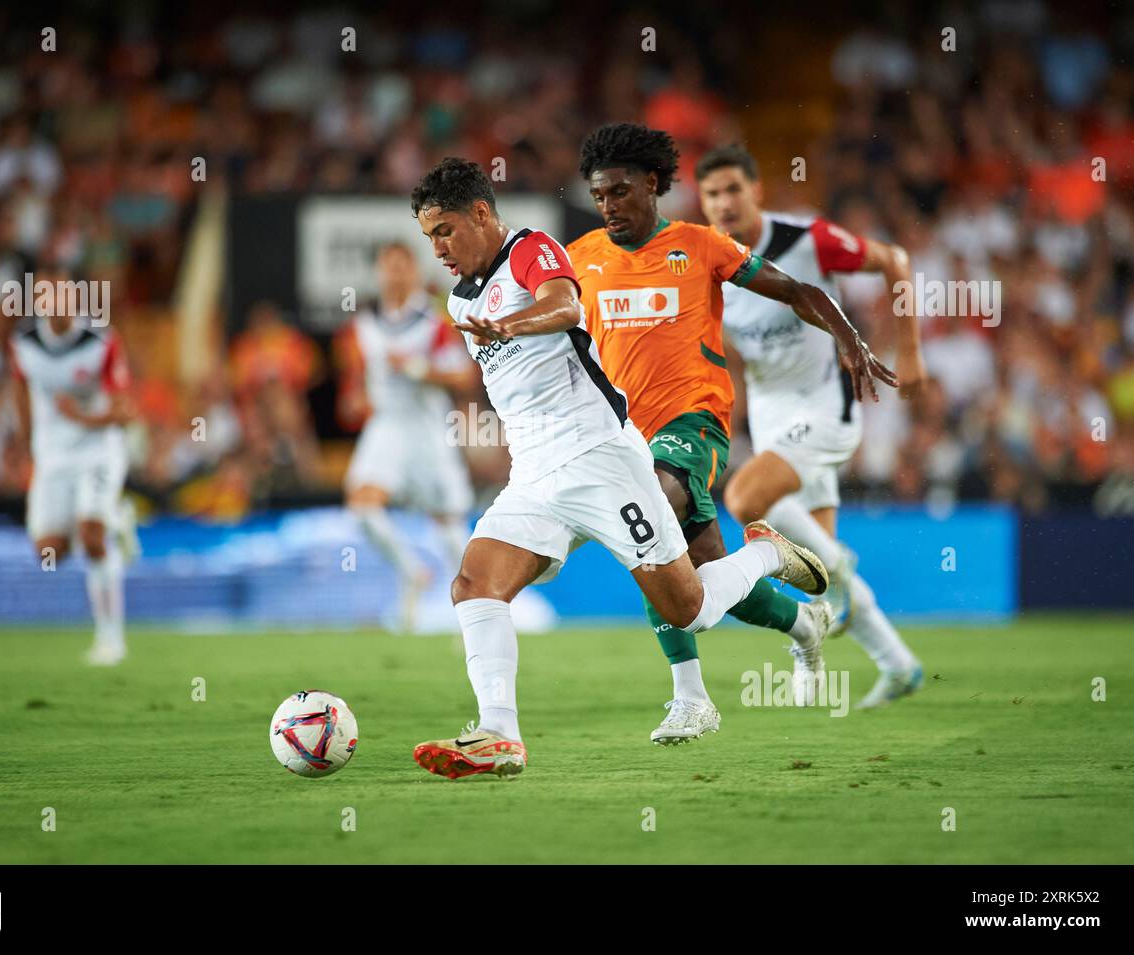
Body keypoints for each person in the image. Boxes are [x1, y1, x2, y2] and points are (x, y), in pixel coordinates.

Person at [407, 157, 829, 779]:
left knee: (691, 610)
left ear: (480, 213)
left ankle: (764, 552)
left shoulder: (531, 250)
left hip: (603, 459)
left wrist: (511, 322)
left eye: (444, 229)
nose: (438, 247)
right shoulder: (458, 298)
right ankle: (499, 733)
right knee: (474, 585)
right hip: (534, 476)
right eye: (428, 238)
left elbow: (564, 306)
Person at [569, 124, 900, 738]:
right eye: (599, 195)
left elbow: (796, 290)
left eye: (619, 191)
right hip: (624, 433)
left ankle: (691, 698)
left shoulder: (702, 245)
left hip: (693, 421)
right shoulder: (581, 256)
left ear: (651, 184)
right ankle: (803, 620)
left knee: (649, 515)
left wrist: (849, 338)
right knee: (696, 583)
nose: (609, 205)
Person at [697, 143, 926, 707]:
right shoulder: (710, 260)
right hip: (774, 415)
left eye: (733, 189)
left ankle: (845, 570)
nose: (724, 203)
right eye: (712, 194)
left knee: (746, 497)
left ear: (757, 192)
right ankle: (897, 664)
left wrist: (911, 353)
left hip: (827, 404)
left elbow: (894, 258)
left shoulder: (806, 240)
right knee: (812, 566)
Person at [339, 241, 478, 632]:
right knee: (362, 506)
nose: (395, 274)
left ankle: (475, 604)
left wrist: (417, 368)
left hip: (428, 428)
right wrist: (356, 397)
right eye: (388, 266)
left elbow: (464, 376)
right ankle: (413, 571)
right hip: (386, 426)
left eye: (402, 266)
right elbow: (358, 379)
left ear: (415, 271)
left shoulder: (434, 319)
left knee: (447, 521)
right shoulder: (365, 323)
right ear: (379, 272)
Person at [10, 275, 137, 665]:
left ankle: (110, 640)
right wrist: (26, 445)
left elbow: (124, 413)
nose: (58, 307)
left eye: (65, 299)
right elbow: (21, 390)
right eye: (49, 300)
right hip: (52, 456)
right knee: (49, 551)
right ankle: (117, 519)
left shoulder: (100, 342)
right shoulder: (24, 343)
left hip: (98, 450)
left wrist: (81, 417)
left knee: (92, 538)